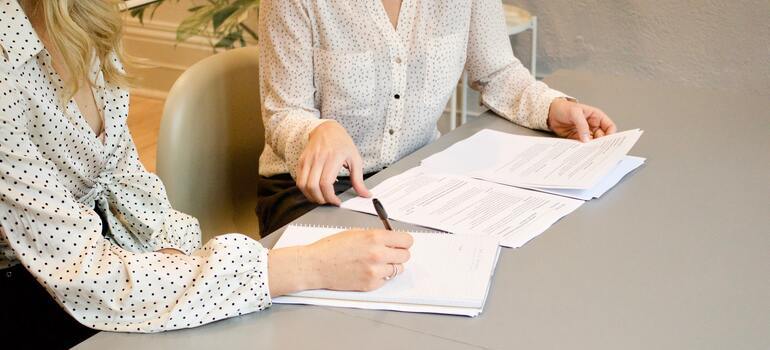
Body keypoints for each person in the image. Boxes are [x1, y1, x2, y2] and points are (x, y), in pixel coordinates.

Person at [0, 1, 412, 348]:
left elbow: (124, 179)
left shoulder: (85, 20)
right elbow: (88, 276)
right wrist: (307, 267)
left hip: (100, 259)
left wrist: (175, 256)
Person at [256, 0, 619, 234]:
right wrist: (318, 132)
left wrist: (552, 107)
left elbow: (496, 71)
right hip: (312, 191)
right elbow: (284, 112)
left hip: (414, 179)